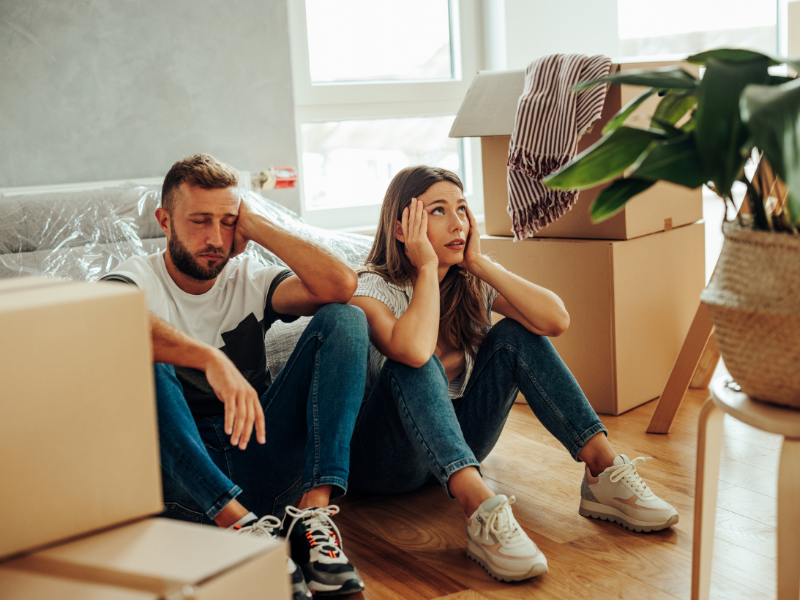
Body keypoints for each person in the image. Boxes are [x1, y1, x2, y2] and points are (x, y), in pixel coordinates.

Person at [347, 165, 679, 583]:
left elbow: (555, 319)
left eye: (462, 209)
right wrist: (427, 268)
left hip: (461, 447)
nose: (457, 223)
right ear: (402, 229)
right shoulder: (370, 288)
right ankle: (482, 510)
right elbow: (413, 350)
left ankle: (602, 470)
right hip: (384, 464)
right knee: (416, 361)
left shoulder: (469, 283)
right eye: (437, 211)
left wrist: (480, 264)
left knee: (516, 333)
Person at [102, 154, 368, 597]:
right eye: (200, 221)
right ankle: (239, 529)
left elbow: (340, 286)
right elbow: (108, 320)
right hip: (183, 477)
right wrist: (210, 358)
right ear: (164, 220)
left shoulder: (248, 277)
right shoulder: (136, 278)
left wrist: (258, 225)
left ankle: (313, 515)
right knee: (141, 354)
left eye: (227, 222)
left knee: (347, 320)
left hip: (258, 453)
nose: (215, 238)